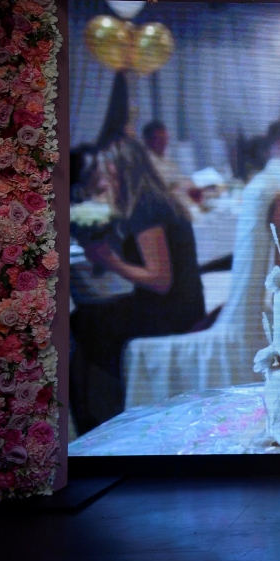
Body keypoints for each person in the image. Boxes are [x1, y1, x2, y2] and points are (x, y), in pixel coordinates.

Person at [70, 138, 205, 431]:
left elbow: (160, 280)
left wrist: (109, 261)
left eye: (107, 173)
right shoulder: (154, 201)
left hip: (169, 314)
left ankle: (105, 418)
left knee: (84, 324)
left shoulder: (146, 209)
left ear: (121, 171)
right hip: (181, 305)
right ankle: (107, 411)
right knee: (90, 318)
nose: (104, 180)